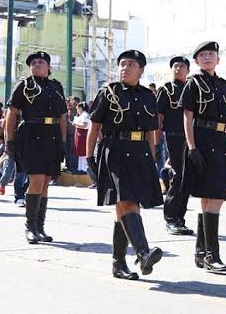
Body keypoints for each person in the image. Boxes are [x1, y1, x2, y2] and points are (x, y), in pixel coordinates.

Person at [86, 49, 163, 280]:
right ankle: (143, 252)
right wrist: (90, 158)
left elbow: (151, 133)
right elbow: (94, 127)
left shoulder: (149, 96)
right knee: (127, 201)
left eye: (131, 64)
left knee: (128, 206)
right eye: (122, 64)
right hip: (115, 150)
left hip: (140, 153)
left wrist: (151, 158)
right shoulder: (107, 92)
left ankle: (119, 263)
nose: (125, 68)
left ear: (141, 70)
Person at [181, 41, 226, 272]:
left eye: (211, 54)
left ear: (218, 59)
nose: (207, 58)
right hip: (202, 139)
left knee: (213, 198)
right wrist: (192, 147)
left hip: (221, 140)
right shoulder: (193, 83)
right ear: (196, 61)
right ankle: (212, 255)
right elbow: (187, 116)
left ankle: (202, 252)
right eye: (202, 55)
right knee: (211, 197)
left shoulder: (224, 85)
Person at [5, 51, 67, 243]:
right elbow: (12, 113)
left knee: (46, 183)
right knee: (37, 180)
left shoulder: (56, 86)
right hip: (31, 134)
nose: (36, 65)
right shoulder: (24, 85)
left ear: (49, 67)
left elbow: (63, 117)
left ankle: (40, 227)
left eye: (41, 62)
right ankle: (29, 227)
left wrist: (63, 143)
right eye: (33, 63)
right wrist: (10, 141)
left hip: (52, 134)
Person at [159, 55, 194, 235]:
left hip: (193, 138)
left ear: (188, 70)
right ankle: (170, 218)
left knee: (187, 178)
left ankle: (180, 218)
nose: (178, 69)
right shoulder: (166, 89)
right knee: (179, 176)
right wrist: (156, 141)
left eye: (181, 66)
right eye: (175, 66)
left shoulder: (192, 87)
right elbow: (158, 117)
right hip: (174, 136)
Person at [72, 101, 90, 174]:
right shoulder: (81, 115)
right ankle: (80, 168)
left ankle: (84, 169)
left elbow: (84, 125)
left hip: (83, 134)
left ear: (80, 108)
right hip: (80, 134)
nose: (77, 110)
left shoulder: (84, 115)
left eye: (77, 109)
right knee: (80, 152)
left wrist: (75, 124)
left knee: (83, 152)